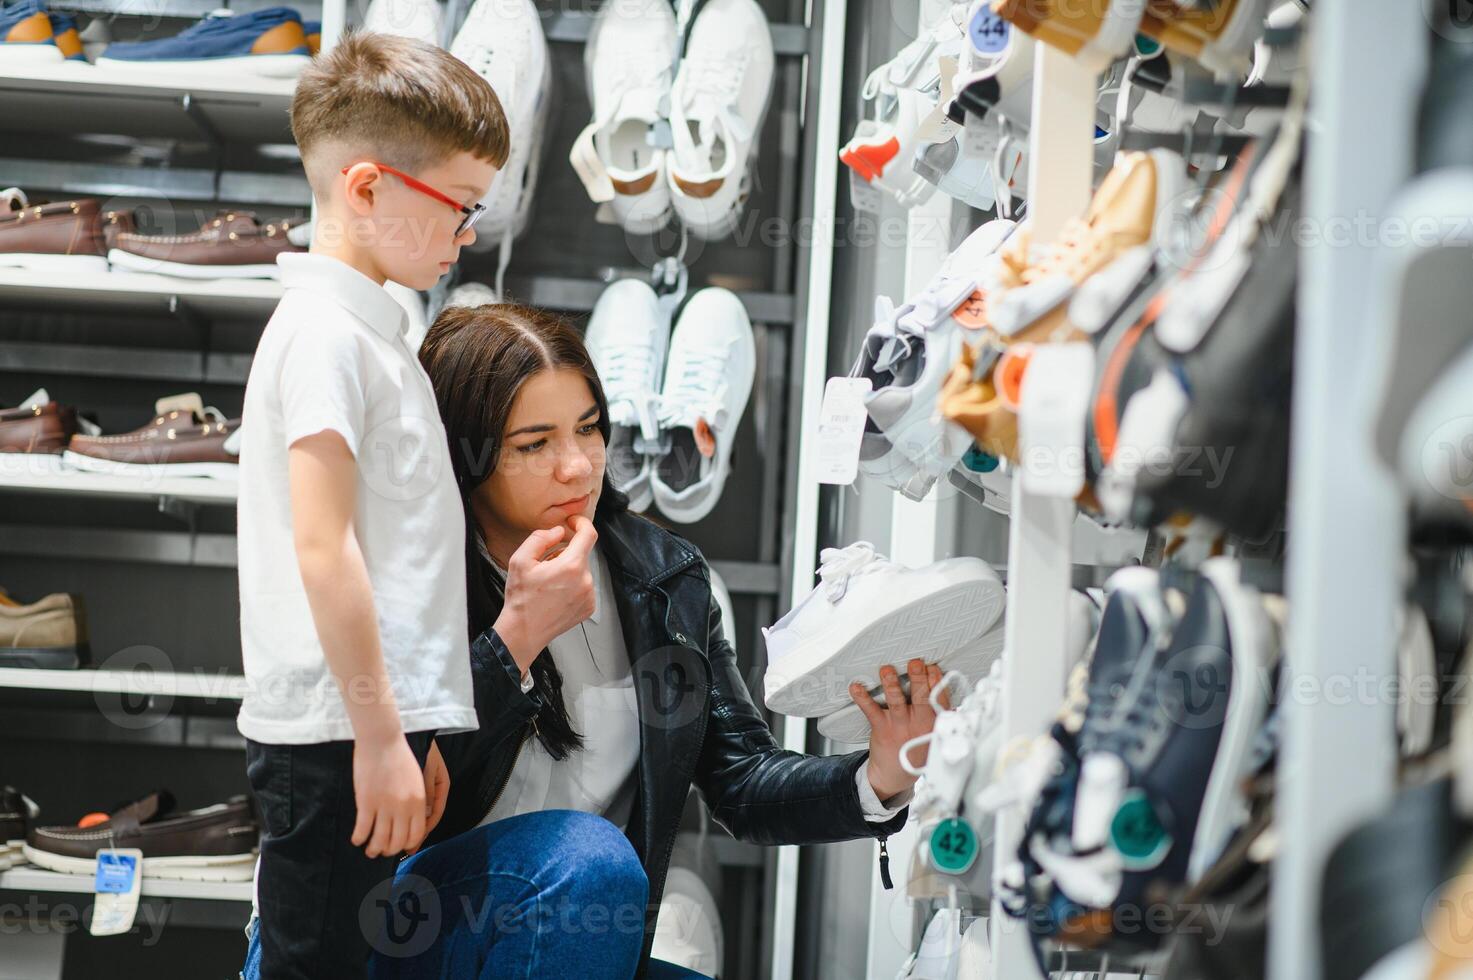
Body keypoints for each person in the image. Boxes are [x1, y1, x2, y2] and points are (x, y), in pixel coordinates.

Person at [355, 303, 949, 978]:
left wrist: (879, 776)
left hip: (575, 934)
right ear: (463, 456)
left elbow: (740, 782)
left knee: (591, 870)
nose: (577, 466)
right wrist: (513, 642)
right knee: (588, 858)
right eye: (533, 444)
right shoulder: (401, 576)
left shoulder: (664, 579)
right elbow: (387, 798)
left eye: (588, 430)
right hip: (415, 935)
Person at [234, 31, 506, 978]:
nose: (466, 234)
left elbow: (396, 557)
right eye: (459, 207)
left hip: (366, 721)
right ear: (365, 188)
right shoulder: (322, 338)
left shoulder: (371, 335)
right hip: (331, 734)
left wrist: (415, 721)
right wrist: (382, 735)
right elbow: (324, 548)